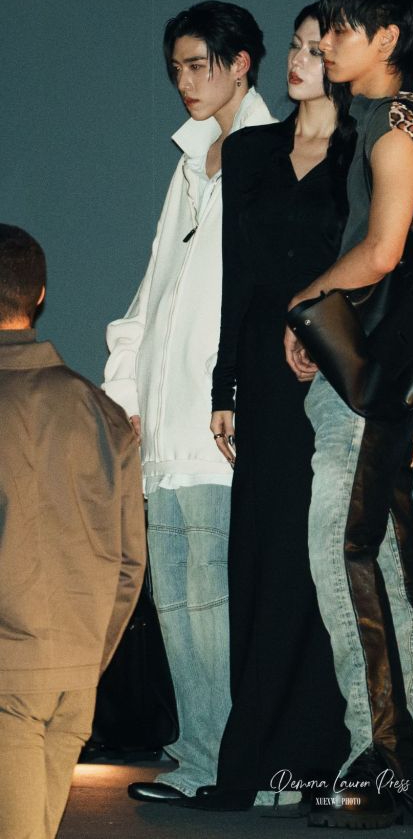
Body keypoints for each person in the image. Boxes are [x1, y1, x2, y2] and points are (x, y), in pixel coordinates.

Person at [284, 0, 413, 828]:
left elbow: (384, 252)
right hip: (385, 382)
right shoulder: (410, 120)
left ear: (387, 37)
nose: (327, 42)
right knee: (382, 563)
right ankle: (408, 768)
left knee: (340, 554)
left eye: (343, 28)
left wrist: (305, 302)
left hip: (363, 384)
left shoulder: (392, 125)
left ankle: (384, 762)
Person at [103, 1, 276, 803]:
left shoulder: (271, 155)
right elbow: (153, 292)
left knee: (215, 597)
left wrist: (233, 388)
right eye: (175, 68)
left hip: (220, 426)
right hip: (164, 427)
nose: (184, 81)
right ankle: (204, 752)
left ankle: (243, 763)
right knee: (175, 601)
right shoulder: (189, 165)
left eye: (198, 64)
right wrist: (122, 393)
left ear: (241, 64)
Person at [202, 4, 355, 809]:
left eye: (315, 49)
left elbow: (382, 273)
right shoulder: (251, 149)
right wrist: (223, 384)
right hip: (264, 376)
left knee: (315, 561)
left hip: (329, 373)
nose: (298, 60)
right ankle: (253, 758)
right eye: (294, 46)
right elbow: (238, 274)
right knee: (261, 559)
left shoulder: (361, 155)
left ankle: (312, 759)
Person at [0, 224, 146, 839]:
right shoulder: (100, 411)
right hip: (76, 670)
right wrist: (89, 655)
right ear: (38, 296)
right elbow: (131, 561)